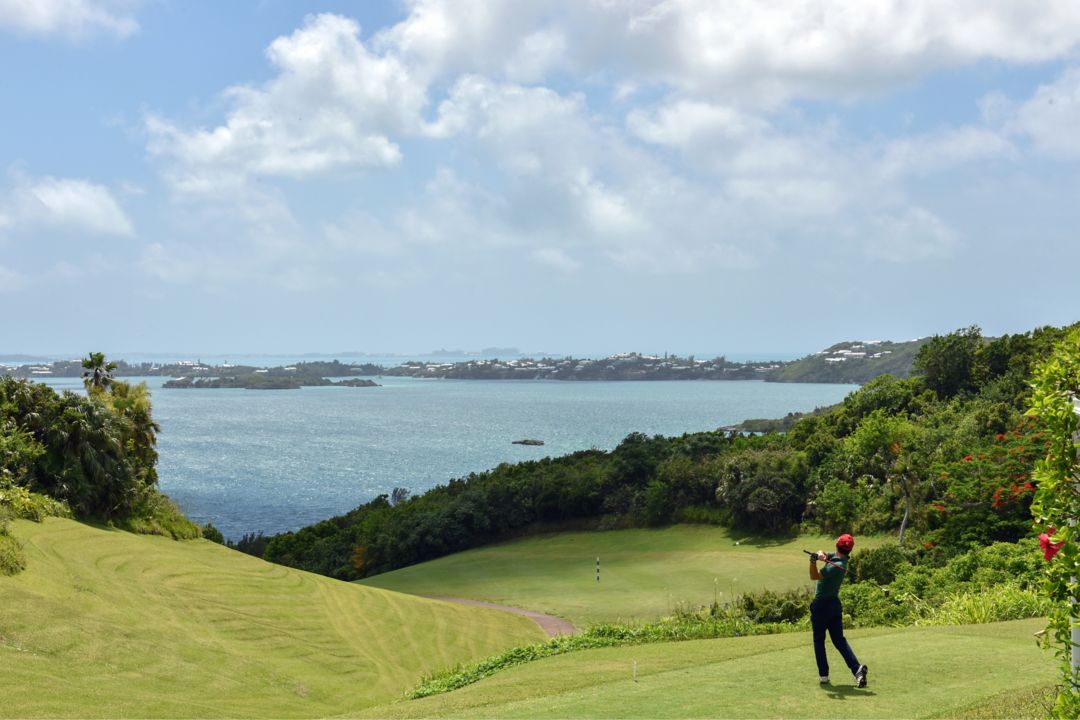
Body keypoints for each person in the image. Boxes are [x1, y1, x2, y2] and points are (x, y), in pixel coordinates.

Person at [809, 533, 868, 687]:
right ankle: (857, 670)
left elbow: (814, 576)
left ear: (837, 544)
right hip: (834, 605)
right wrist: (821, 554)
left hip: (821, 605)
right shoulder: (842, 559)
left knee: (819, 640)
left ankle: (823, 675)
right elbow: (827, 553)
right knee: (839, 640)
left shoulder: (834, 567)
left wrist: (813, 561)